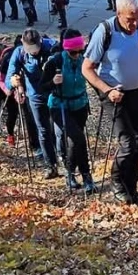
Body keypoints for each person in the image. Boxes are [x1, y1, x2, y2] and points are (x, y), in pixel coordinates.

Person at [83, 0, 138, 205]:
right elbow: (87, 68)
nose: (135, 24)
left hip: (137, 91)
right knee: (128, 142)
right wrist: (107, 90)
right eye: (130, 19)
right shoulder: (105, 31)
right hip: (114, 94)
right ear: (118, 13)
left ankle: (132, 188)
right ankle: (117, 183)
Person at [41, 29, 96, 192]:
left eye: (80, 51)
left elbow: (93, 77)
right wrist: (52, 82)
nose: (77, 55)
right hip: (59, 106)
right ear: (66, 49)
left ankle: (70, 174)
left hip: (80, 105)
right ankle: (86, 176)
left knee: (74, 141)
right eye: (73, 52)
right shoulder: (55, 62)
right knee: (79, 138)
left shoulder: (84, 60)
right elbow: (42, 87)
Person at [6, 28, 59, 178]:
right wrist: (13, 81)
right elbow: (10, 75)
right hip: (35, 96)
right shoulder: (19, 53)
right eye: (30, 49)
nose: (34, 51)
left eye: (36, 48)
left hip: (55, 93)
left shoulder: (52, 46)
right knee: (43, 130)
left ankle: (65, 159)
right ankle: (51, 165)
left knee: (58, 129)